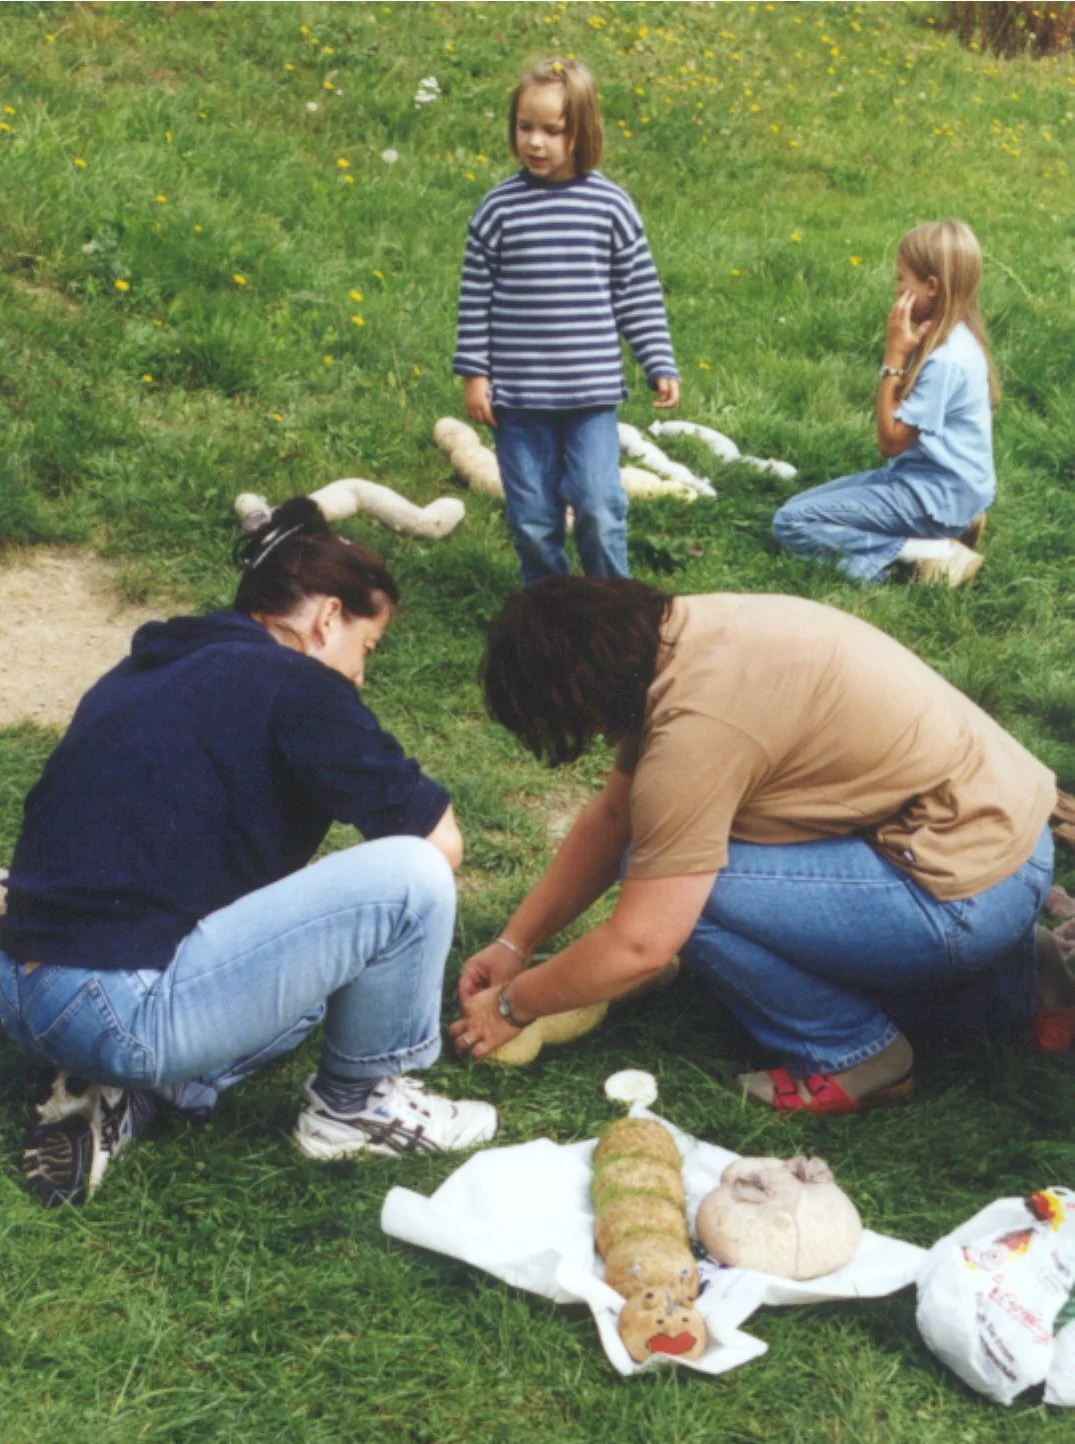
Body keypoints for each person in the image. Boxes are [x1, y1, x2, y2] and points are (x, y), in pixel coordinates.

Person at [0, 501, 496, 1205]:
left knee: (311, 991)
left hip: (25, 984)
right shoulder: (303, 687)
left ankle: (121, 1090)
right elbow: (441, 843)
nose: (360, 674)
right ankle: (353, 1106)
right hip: (117, 1002)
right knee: (410, 878)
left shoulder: (158, 659)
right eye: (368, 648)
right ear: (327, 618)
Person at [449, 577, 1056, 1114]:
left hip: (964, 896)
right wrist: (515, 941)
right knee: (668, 854)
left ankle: (852, 1056)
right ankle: (1020, 986)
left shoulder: (697, 730)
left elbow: (643, 943)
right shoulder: (680, 637)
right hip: (1005, 842)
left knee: (683, 893)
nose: (592, 736)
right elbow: (614, 815)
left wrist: (511, 1007)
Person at [452, 55, 680, 586]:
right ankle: (550, 610)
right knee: (532, 517)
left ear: (582, 131)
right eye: (524, 127)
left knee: (599, 508)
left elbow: (638, 294)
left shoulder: (611, 207)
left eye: (552, 131)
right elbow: (474, 298)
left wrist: (658, 361)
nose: (535, 142)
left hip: (589, 396)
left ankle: (612, 603)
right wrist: (475, 374)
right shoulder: (498, 210)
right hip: (519, 399)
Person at [772, 219, 998, 589]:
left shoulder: (946, 361)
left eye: (901, 279)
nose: (895, 288)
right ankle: (958, 523)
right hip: (936, 484)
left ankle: (929, 554)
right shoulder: (958, 334)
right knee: (801, 505)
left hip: (931, 495)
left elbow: (889, 441)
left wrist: (893, 357)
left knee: (791, 524)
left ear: (931, 286)